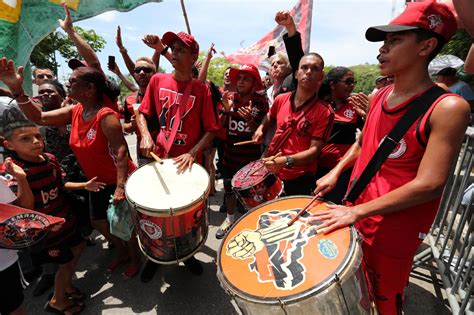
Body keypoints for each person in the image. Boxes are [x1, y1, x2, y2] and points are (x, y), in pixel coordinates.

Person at [312, 2, 470, 313]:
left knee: (384, 300)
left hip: (392, 230)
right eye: (383, 43)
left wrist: (357, 213)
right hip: (355, 211)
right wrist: (336, 173)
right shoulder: (379, 95)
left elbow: (430, 184)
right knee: (351, 291)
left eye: (394, 41)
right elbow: (365, 144)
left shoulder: (448, 108)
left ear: (426, 46)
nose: (381, 51)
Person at [0, 59, 142, 280]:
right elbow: (39, 117)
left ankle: (135, 258)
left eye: (74, 81)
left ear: (89, 89)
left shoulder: (106, 116)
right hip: (96, 180)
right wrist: (17, 90)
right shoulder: (75, 110)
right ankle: (121, 251)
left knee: (123, 224)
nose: (67, 83)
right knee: (98, 222)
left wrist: (121, 188)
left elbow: (122, 151)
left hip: (119, 180)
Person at [136, 31, 220, 281]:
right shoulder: (157, 80)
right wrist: (144, 135)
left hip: (187, 166)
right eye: (172, 49)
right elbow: (142, 114)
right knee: (157, 214)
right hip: (159, 159)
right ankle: (156, 256)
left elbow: (211, 130)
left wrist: (193, 153)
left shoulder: (202, 90)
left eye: (181, 50)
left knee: (184, 217)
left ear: (194, 56)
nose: (174, 53)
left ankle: (187, 254)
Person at [1, 120, 107, 314]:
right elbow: (23, 209)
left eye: (38, 136)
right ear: (8, 145)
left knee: (79, 246)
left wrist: (84, 186)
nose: (35, 141)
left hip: (65, 220)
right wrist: (22, 178)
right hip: (46, 231)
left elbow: (61, 184)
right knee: (64, 263)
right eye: (25, 139)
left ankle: (66, 287)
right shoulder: (11, 172)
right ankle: (58, 300)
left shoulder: (49, 159)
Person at [253, 52, 334, 196]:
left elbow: (314, 152)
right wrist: (260, 128)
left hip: (299, 177)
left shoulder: (325, 112)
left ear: (321, 77)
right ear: (296, 74)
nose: (308, 72)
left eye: (315, 69)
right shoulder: (281, 99)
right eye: (304, 67)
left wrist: (285, 161)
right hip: (271, 170)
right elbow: (269, 116)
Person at [215, 64, 269, 239]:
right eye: (239, 78)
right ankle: (229, 219)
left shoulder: (260, 101)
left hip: (250, 159)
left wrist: (249, 119)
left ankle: (252, 224)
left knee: (252, 195)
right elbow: (219, 125)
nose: (240, 81)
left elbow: (258, 134)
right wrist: (225, 109)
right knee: (229, 189)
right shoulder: (230, 97)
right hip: (230, 155)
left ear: (254, 83)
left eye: (246, 78)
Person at [315, 67, 366, 204]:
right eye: (348, 82)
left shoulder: (355, 106)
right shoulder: (319, 105)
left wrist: (367, 116)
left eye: (353, 82)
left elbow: (368, 133)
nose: (352, 86)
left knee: (334, 205)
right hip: (317, 168)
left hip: (344, 170)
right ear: (332, 85)